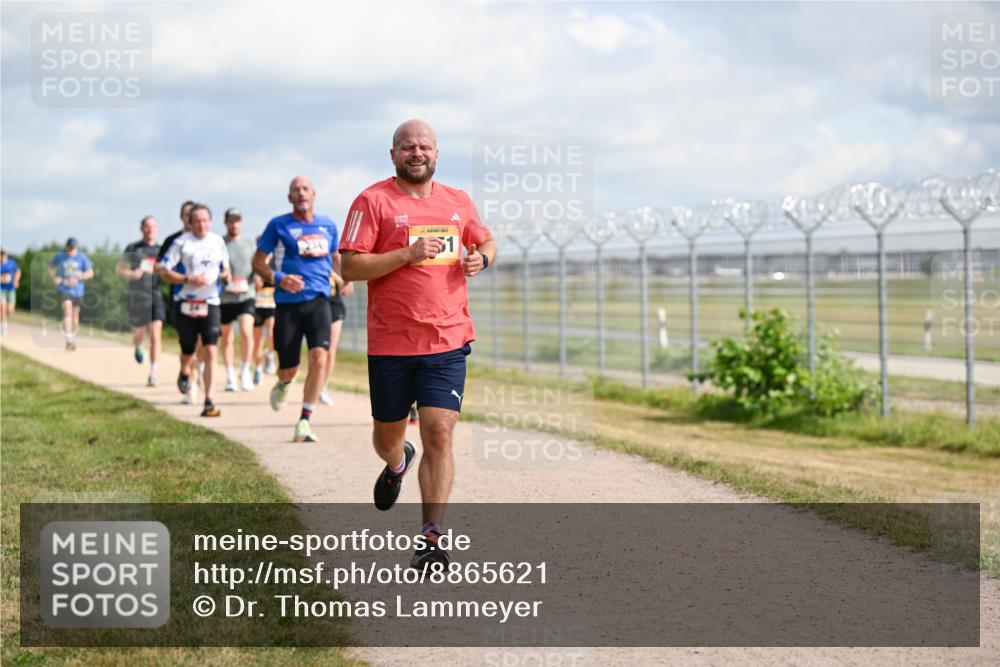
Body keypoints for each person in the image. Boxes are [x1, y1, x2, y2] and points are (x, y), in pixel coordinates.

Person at [340, 119, 496, 570]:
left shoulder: (457, 201)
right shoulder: (372, 201)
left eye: (425, 146)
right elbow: (350, 268)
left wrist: (481, 257)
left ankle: (431, 536)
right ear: (393, 154)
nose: (417, 152)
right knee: (389, 436)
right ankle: (396, 464)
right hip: (390, 342)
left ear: (436, 154)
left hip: (447, 338)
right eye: (408, 146)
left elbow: (487, 239)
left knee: (439, 431)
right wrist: (406, 255)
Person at [252, 176, 340, 443]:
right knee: (288, 367)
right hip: (288, 305)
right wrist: (280, 278)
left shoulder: (328, 225)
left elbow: (336, 258)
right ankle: (284, 383)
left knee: (320, 357)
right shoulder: (278, 226)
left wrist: (343, 277)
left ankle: (304, 420)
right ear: (290, 197)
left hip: (319, 301)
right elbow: (258, 263)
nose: (301, 193)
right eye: (295, 190)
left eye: (305, 189)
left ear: (314, 194)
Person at [160, 204, 230, 417]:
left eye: (205, 221)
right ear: (190, 223)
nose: (201, 225)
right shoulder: (181, 243)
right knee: (188, 350)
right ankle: (184, 370)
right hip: (186, 301)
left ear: (210, 221)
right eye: (196, 221)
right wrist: (187, 279)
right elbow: (163, 270)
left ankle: (209, 400)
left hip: (210, 301)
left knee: (210, 349)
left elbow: (225, 267)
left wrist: (226, 274)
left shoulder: (217, 241)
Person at [157, 200, 204, 403]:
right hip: (180, 297)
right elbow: (160, 268)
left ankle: (193, 377)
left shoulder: (209, 240)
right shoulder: (172, 241)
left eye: (192, 215)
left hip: (205, 298)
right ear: (182, 217)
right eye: (187, 215)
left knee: (204, 343)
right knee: (189, 344)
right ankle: (188, 374)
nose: (190, 219)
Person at [115, 216, 165, 386]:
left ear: (157, 229)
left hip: (155, 294)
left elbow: (168, 270)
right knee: (139, 333)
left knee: (156, 333)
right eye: (147, 226)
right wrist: (131, 274)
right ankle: (138, 346)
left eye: (153, 226)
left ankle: (153, 372)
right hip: (137, 295)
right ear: (141, 228)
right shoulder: (133, 248)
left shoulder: (162, 249)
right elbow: (119, 270)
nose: (150, 229)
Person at [219, 208, 257, 392]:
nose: (234, 224)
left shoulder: (250, 243)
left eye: (237, 221)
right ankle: (229, 374)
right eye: (231, 221)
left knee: (246, 332)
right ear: (225, 222)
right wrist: (222, 276)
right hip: (225, 297)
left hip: (246, 295)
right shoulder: (219, 243)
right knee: (226, 338)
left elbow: (258, 264)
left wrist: (257, 276)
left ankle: (245, 370)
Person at [48, 237, 95, 350]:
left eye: (73, 248)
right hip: (65, 289)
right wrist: (55, 278)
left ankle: (72, 338)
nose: (71, 250)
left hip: (78, 290)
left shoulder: (82, 257)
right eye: (69, 247)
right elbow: (51, 267)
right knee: (67, 311)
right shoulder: (60, 256)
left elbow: (90, 273)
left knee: (75, 316)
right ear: (66, 246)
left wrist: (81, 276)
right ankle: (68, 339)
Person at [317, 267, 353, 405]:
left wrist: (348, 283)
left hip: (335, 304)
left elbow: (348, 286)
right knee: (319, 350)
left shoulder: (339, 256)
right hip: (317, 303)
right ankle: (315, 383)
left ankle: (323, 388)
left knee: (331, 351)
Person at [251, 239, 277, 385]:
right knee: (257, 341)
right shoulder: (253, 262)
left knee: (271, 332)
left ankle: (271, 355)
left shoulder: (274, 262)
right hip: (257, 305)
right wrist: (254, 281)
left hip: (271, 304)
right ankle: (258, 368)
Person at [0, 249, 21, 334]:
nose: (2, 256)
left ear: (6, 255)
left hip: (11, 289)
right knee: (2, 306)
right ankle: (3, 327)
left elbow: (18, 271)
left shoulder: (12, 263)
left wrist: (16, 280)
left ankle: (2, 318)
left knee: (10, 310)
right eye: (1, 254)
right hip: (1, 289)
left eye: (3, 254)